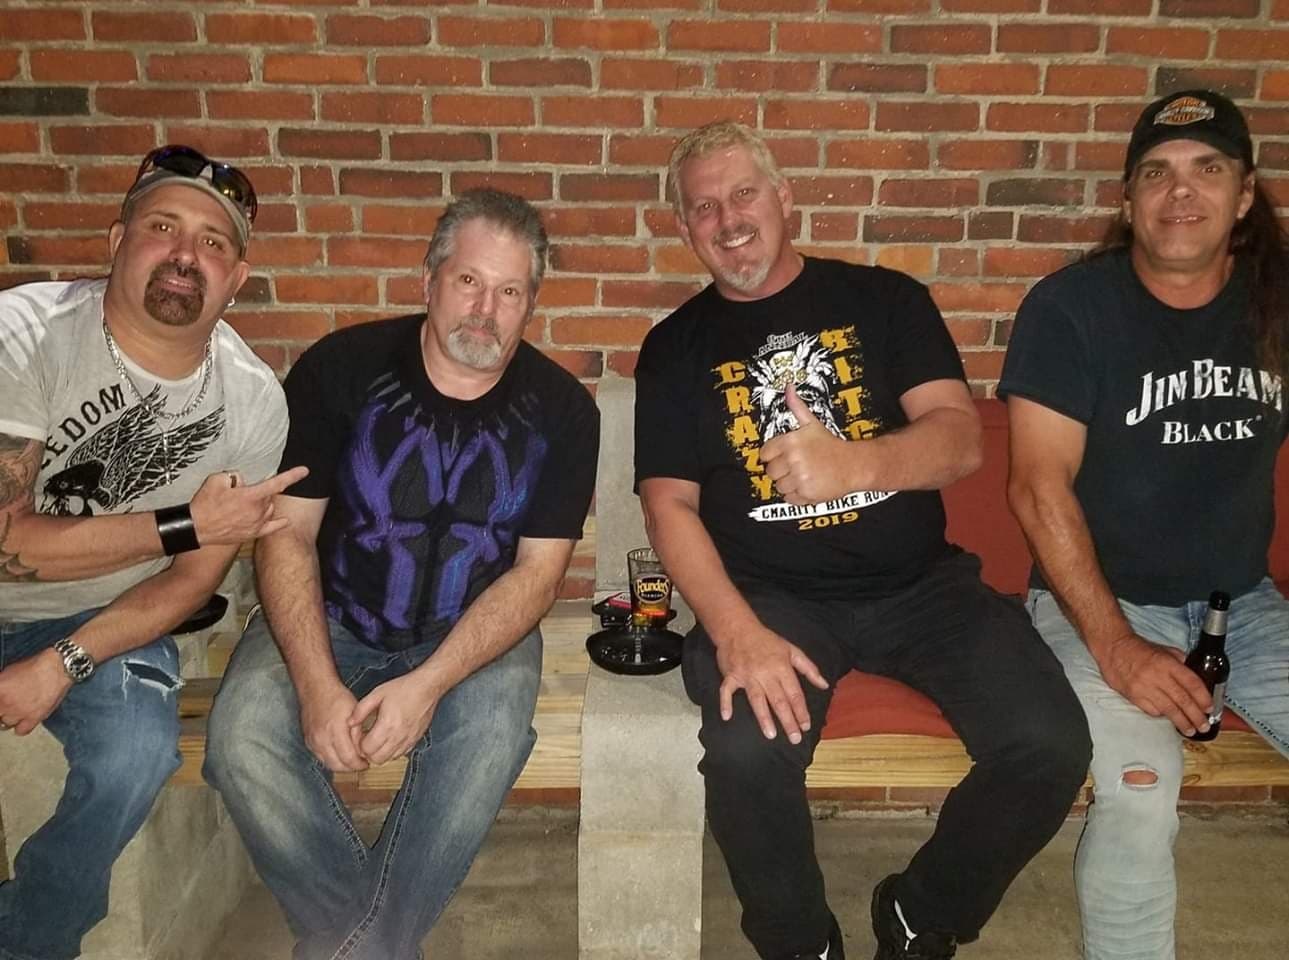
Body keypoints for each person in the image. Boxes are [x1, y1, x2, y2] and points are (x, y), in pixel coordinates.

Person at [634, 120, 1091, 960]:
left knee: (1049, 743)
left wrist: (852, 464)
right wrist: (735, 632)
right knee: (744, 754)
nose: (727, 219)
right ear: (683, 227)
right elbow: (668, 506)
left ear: (784, 199)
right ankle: (798, 942)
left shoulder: (885, 300)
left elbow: (960, 439)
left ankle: (921, 912)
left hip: (921, 587)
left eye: (743, 194)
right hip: (770, 599)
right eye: (703, 207)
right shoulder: (673, 347)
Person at [203, 188, 599, 960]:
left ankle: (352, 947)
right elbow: (287, 534)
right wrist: (317, 686)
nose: (485, 310)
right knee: (241, 738)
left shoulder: (562, 412)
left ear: (530, 305)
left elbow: (537, 575)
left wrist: (428, 684)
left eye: (509, 291)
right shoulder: (340, 369)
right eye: (469, 281)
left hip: (475, 629)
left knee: (490, 734)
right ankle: (377, 946)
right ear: (429, 280)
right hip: (334, 614)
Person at [1001, 89, 1289, 960]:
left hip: (1243, 607)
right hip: (1098, 606)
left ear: (1243, 194)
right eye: (1156, 173)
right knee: (1137, 788)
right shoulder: (1071, 308)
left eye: (1207, 168)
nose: (1180, 191)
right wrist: (1117, 646)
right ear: (1127, 200)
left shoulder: (1277, 306)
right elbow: (1036, 488)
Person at [0, 145, 302, 958]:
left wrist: (60, 662)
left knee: (136, 754)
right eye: (163, 227)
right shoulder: (23, 334)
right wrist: (183, 522)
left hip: (108, 615)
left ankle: (27, 943)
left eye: (213, 242)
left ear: (237, 279)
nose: (185, 254)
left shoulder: (252, 401)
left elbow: (193, 582)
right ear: (118, 240)